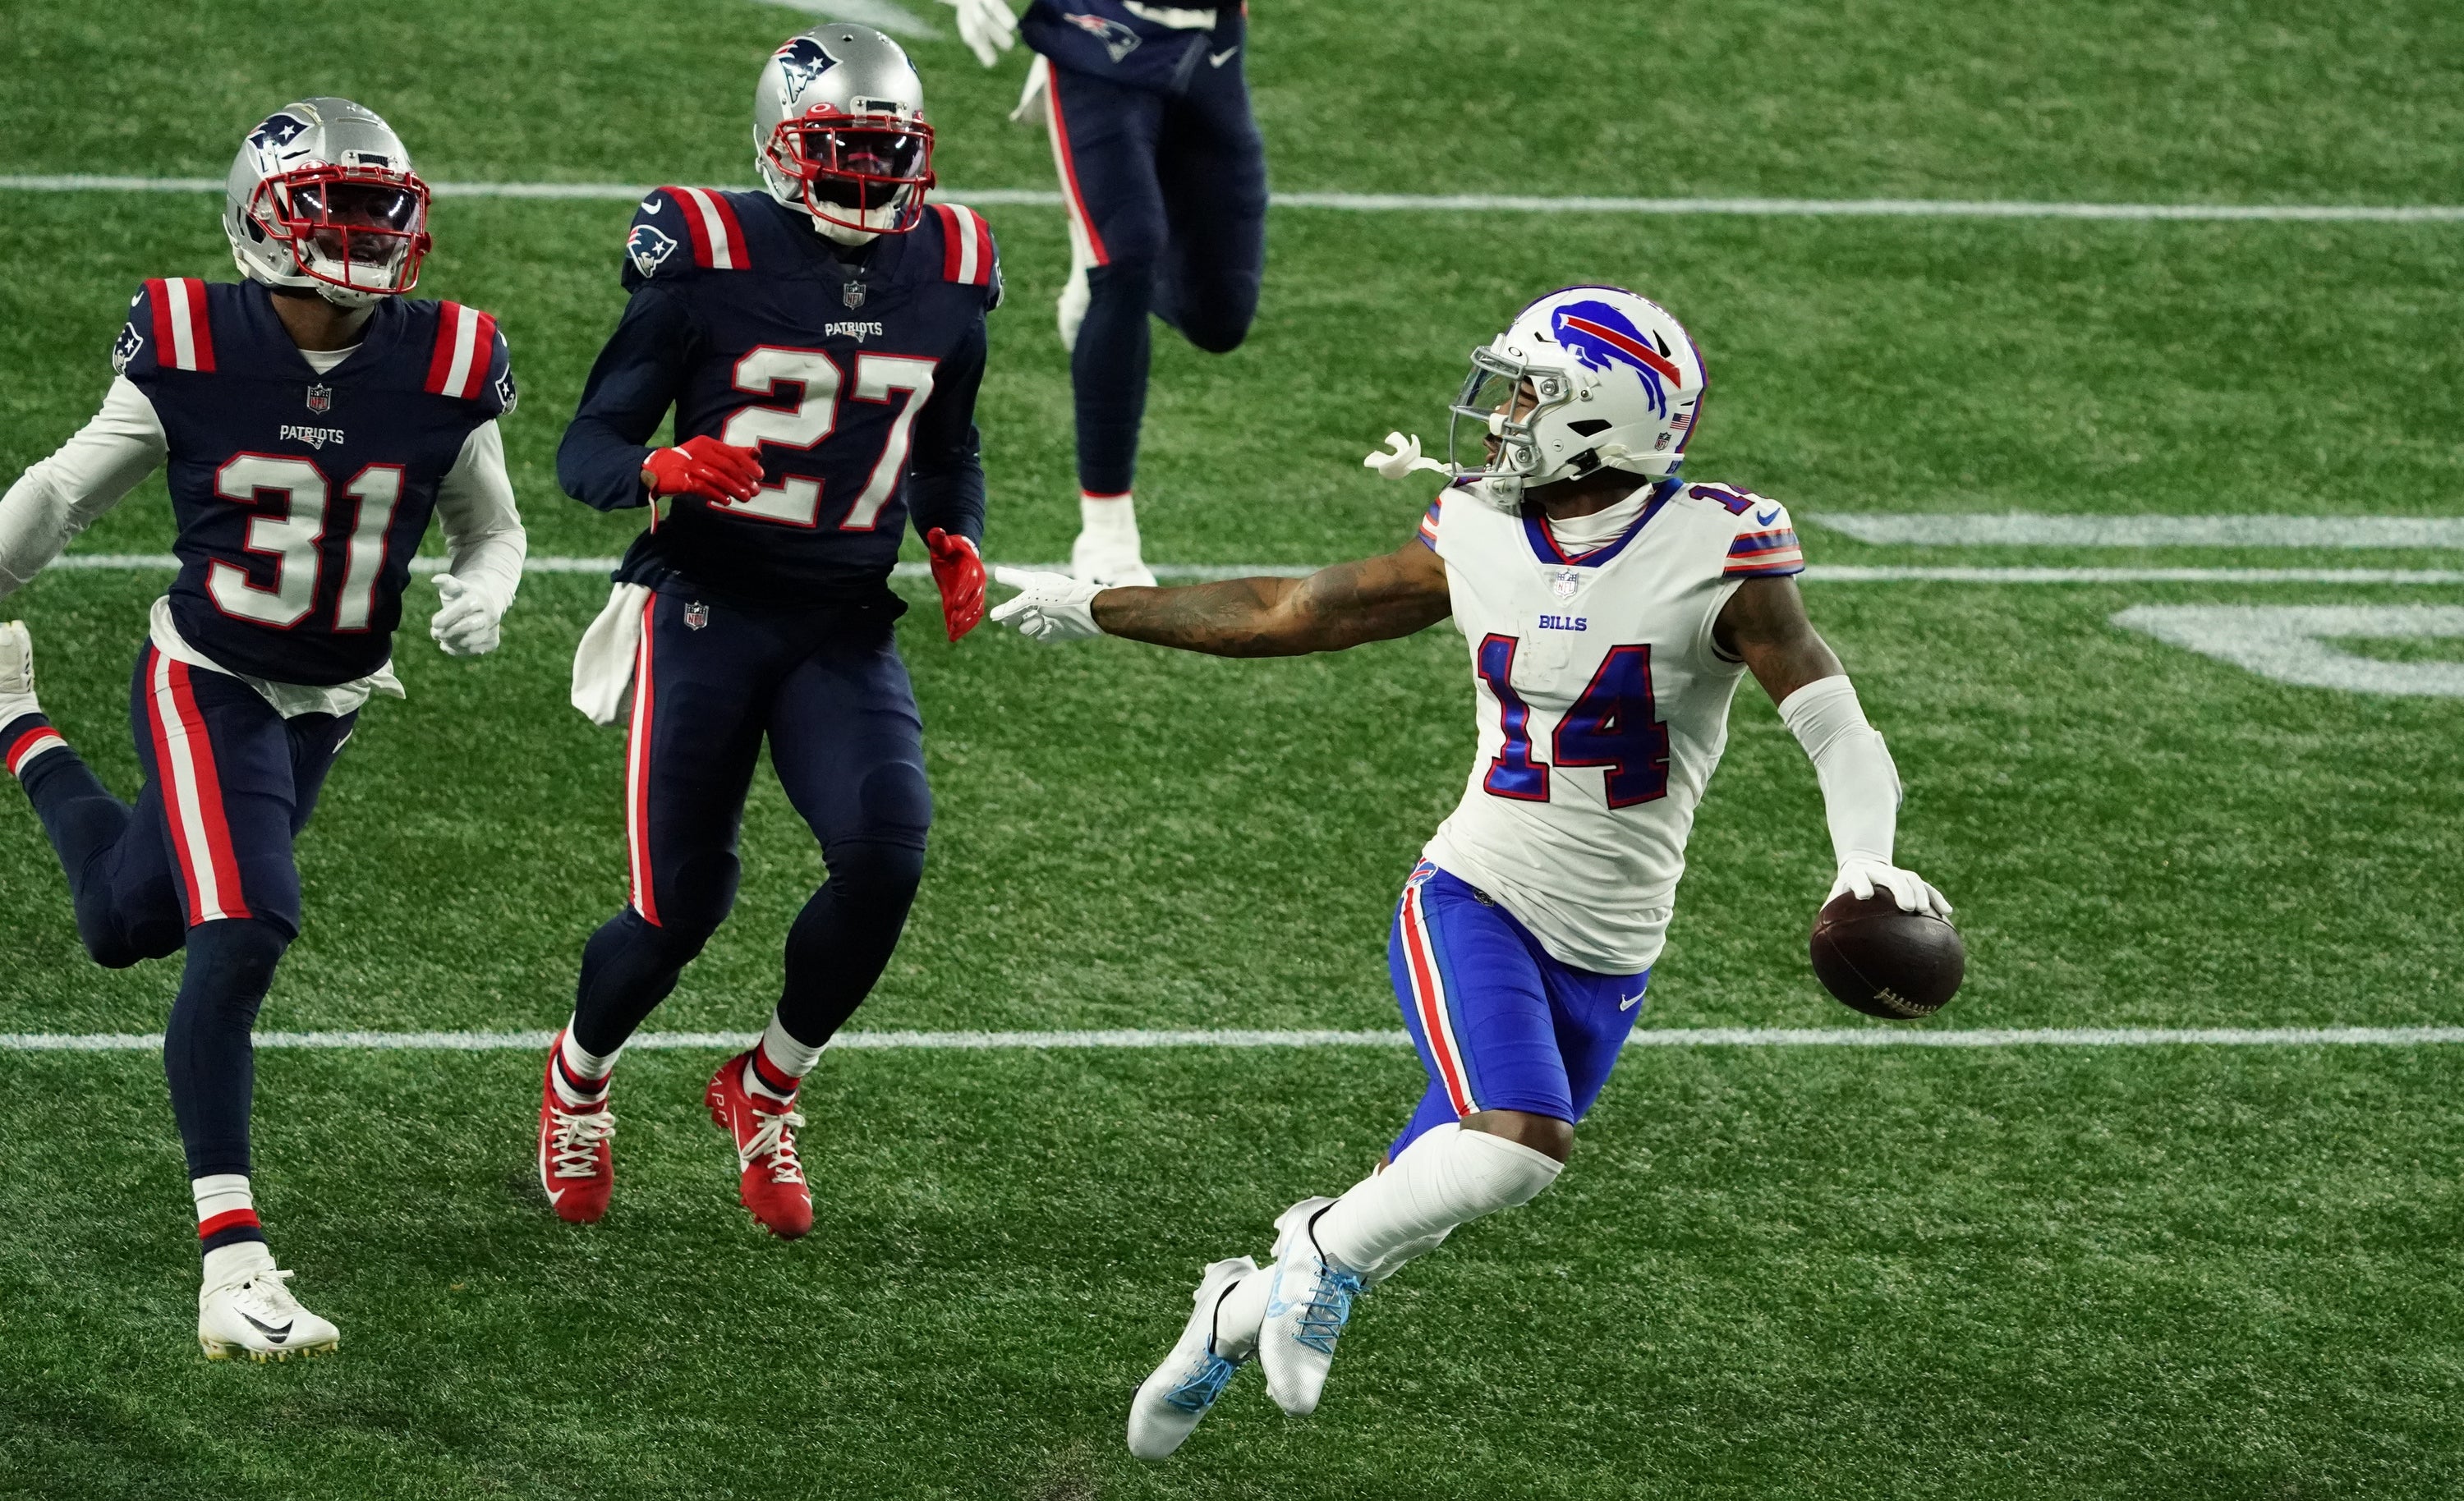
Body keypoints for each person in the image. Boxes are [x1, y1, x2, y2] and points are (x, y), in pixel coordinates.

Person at [990, 285, 1955, 1456]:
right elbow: (1298, 608)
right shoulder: (1477, 528)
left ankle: (1236, 1306)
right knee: (1518, 1143)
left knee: (1445, 1186)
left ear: (1598, 419)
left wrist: (1869, 862)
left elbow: (1835, 722)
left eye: (1527, 393)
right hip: (1477, 894)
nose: (1498, 416)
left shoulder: (1719, 548)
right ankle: (1318, 1261)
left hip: (1613, 949)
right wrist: (1103, 607)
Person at [0, 99, 526, 1361]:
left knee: (128, 923)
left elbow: (488, 521)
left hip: (332, 697)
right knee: (245, 924)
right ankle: (232, 1268)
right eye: (330, 211)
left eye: (378, 211)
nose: (358, 237)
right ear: (258, 221)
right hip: (209, 675)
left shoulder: (448, 357)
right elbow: (66, 488)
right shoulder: (191, 340)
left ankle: (14, 723)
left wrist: (486, 589)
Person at [540, 25, 995, 1242]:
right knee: (679, 907)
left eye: (885, 151)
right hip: (705, 603)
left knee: (887, 851)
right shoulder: (709, 249)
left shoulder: (950, 260)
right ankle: (579, 1077)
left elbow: (948, 443)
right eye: (839, 150)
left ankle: (766, 1083)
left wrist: (956, 532)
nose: (866, 177)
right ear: (780, 150)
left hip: (843, 618)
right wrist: (661, 465)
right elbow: (584, 450)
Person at [939, 0, 1266, 586]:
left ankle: (1094, 261)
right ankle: (1106, 536)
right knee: (1125, 261)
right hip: (1092, 33)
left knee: (1220, 318)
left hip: (1209, 42)